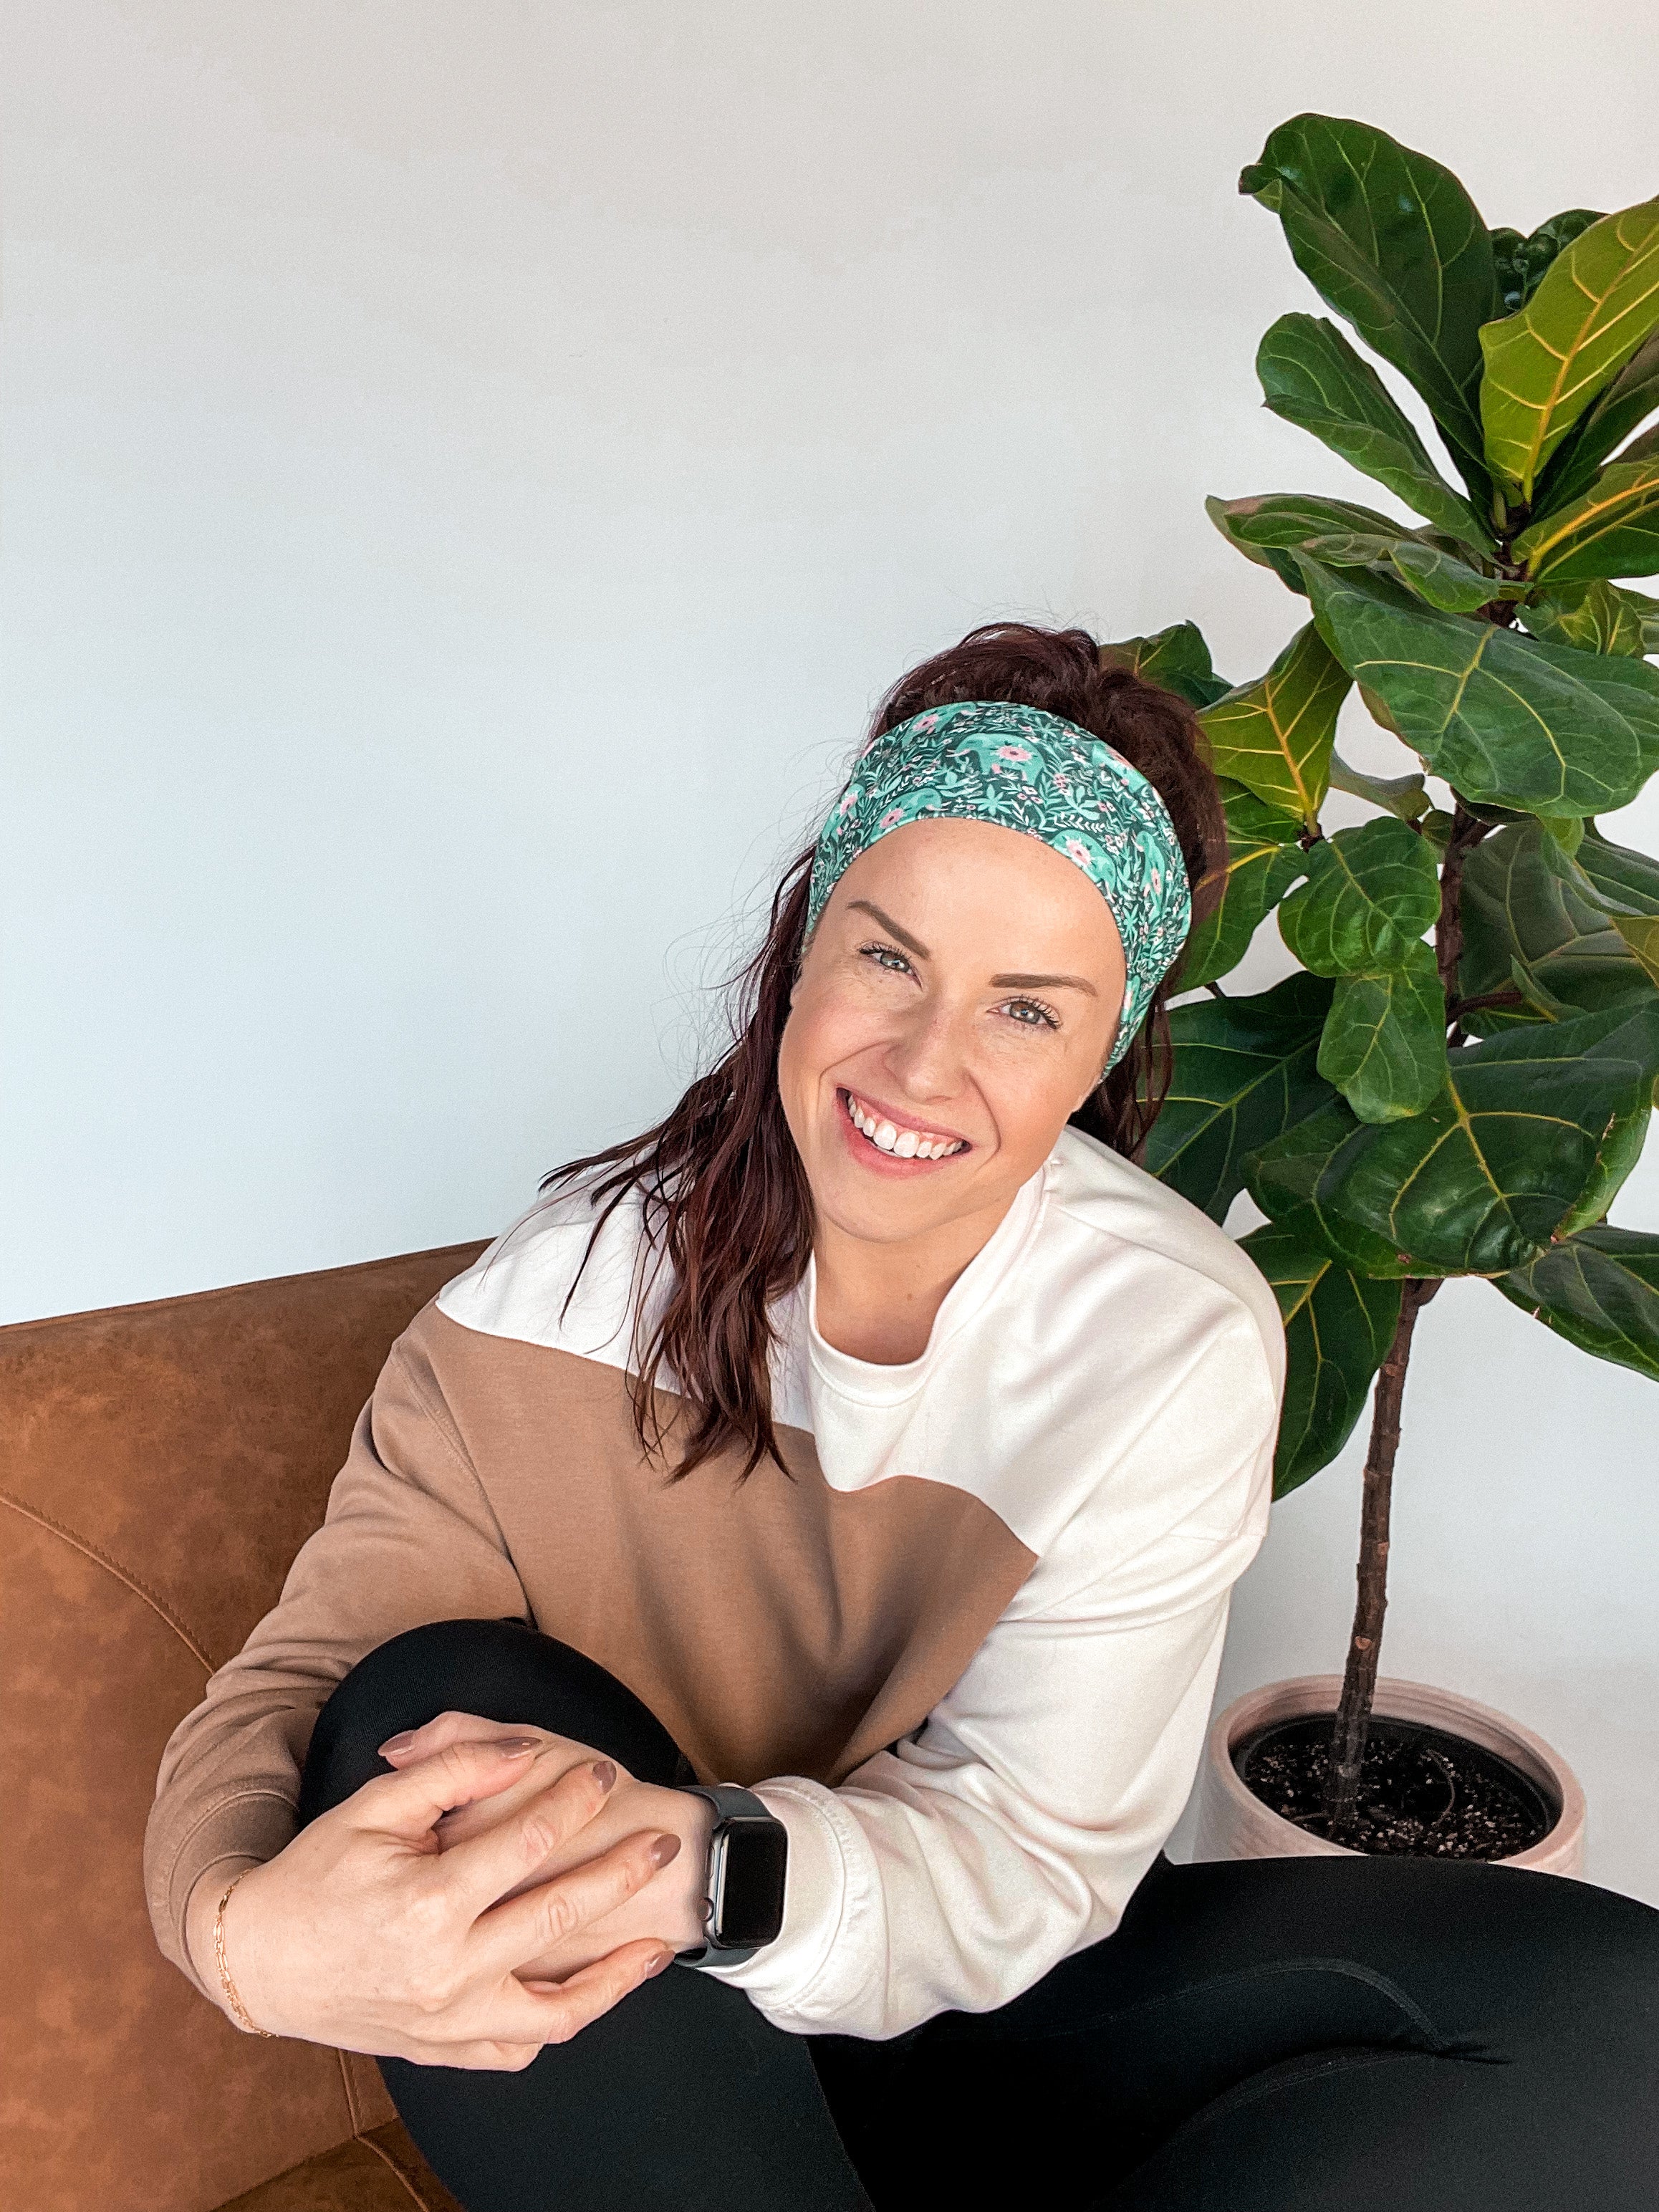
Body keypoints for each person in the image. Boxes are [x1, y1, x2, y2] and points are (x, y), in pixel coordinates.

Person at [146, 625, 1659, 2211]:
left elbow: (1041, 1847)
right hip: (640, 2049)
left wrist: (710, 1867)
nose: (924, 1065)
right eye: (889, 958)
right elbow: (306, 1681)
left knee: (1614, 2011)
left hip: (940, 1989)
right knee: (436, 1690)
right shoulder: (557, 1301)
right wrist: (242, 1943)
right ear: (804, 948)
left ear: (1104, 1051)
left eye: (1026, 1009)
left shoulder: (1163, 1329)